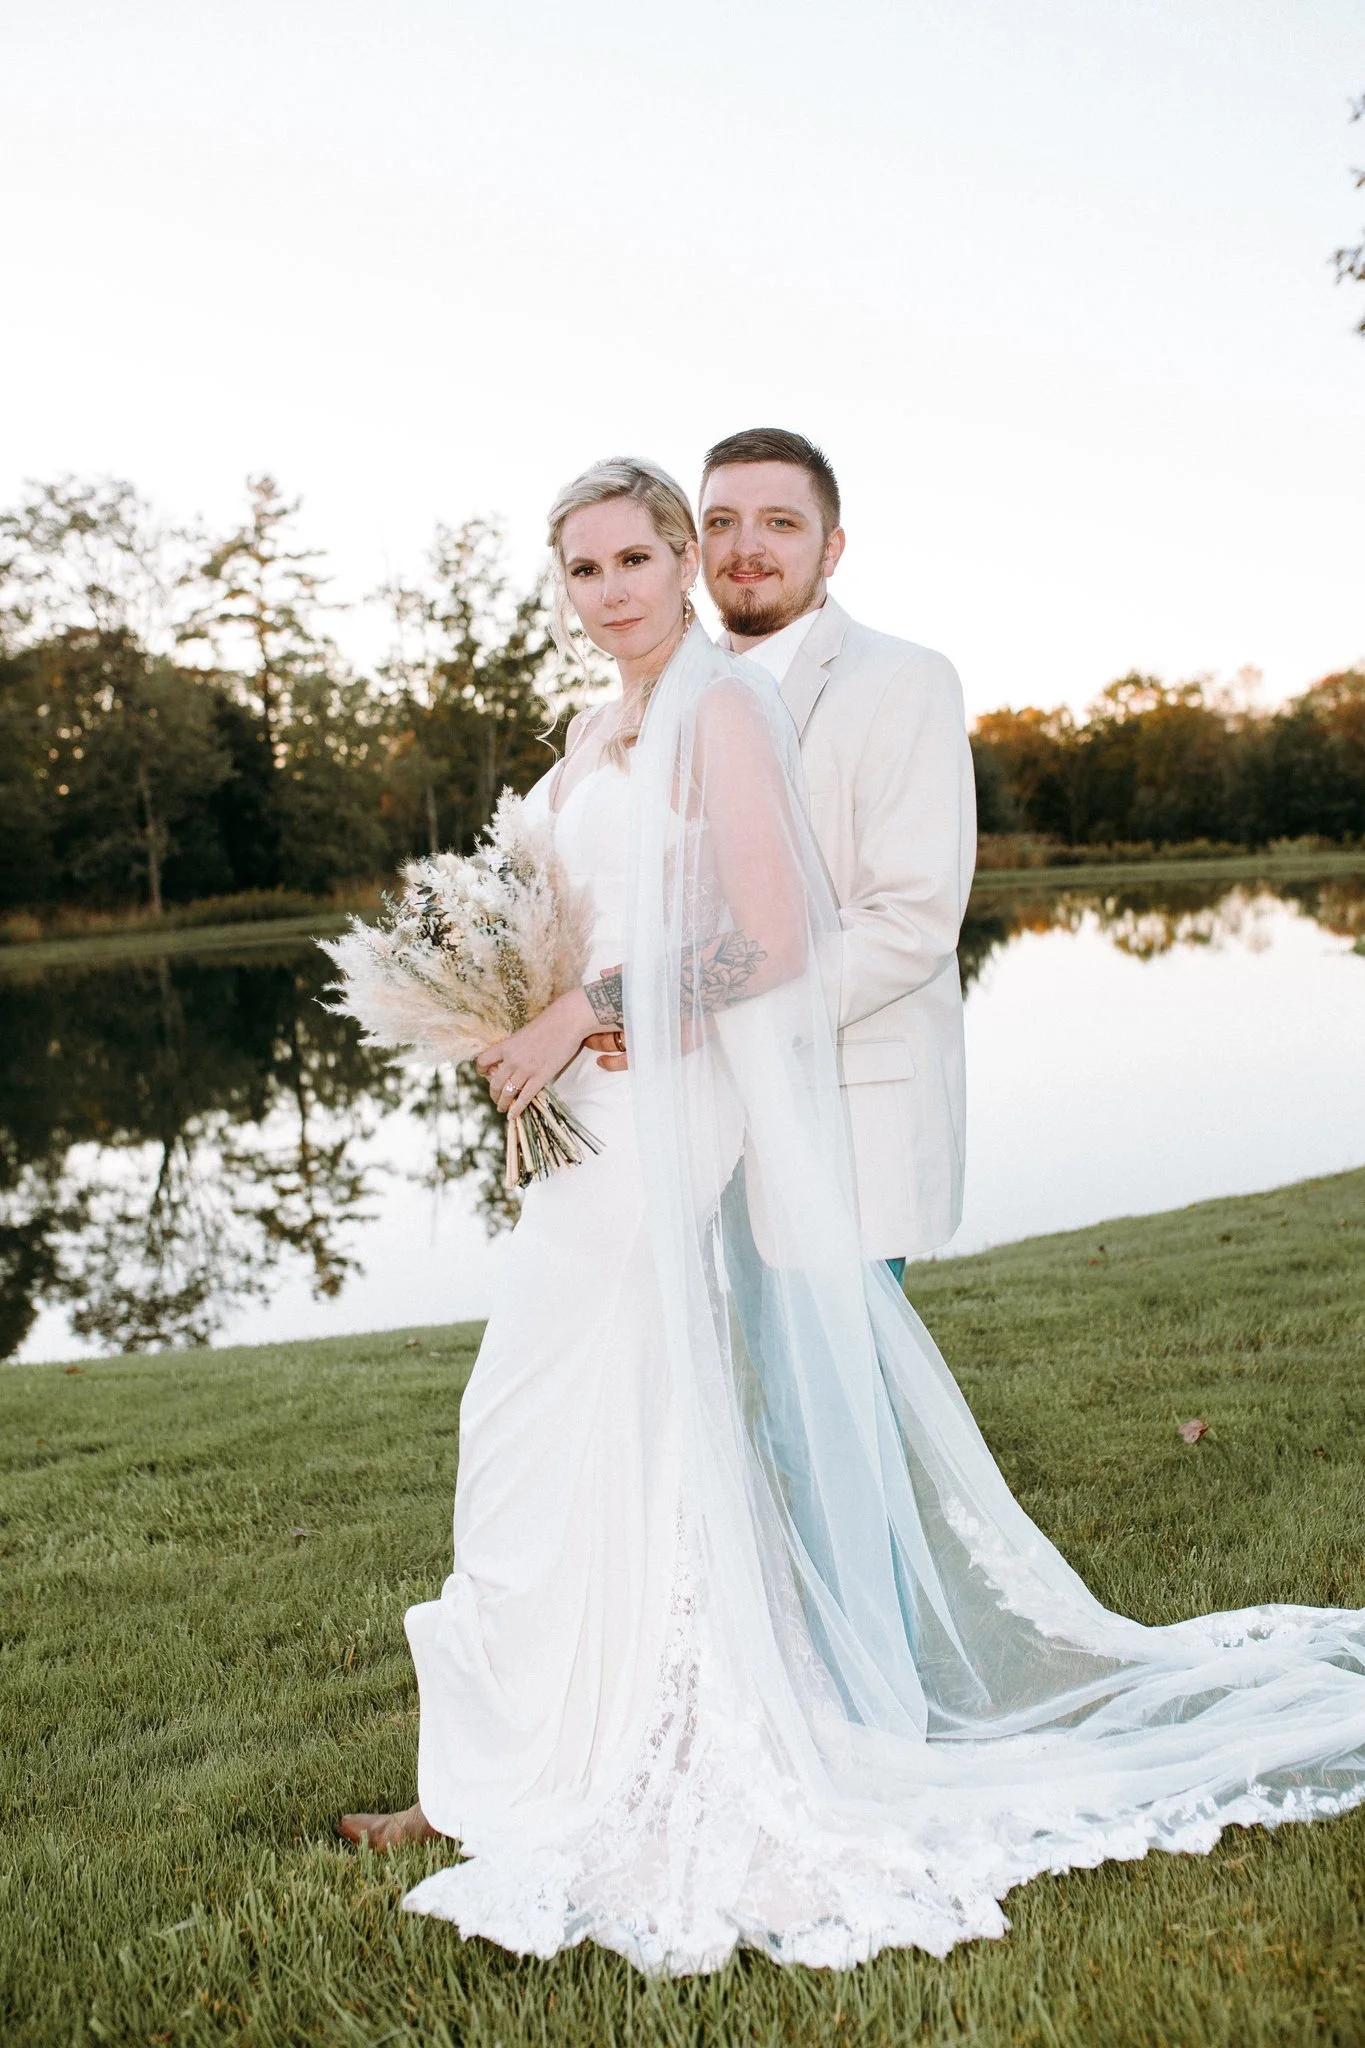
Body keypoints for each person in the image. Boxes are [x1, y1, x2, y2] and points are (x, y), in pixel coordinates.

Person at [340, 458, 1365, 1976]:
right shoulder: (592, 728)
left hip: (658, 1123)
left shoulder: (724, 711)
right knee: (571, 1442)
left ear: (683, 562)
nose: (607, 589)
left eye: (633, 559)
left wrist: (582, 1012)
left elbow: (770, 940)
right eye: (579, 567)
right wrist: (510, 1010)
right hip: (594, 1126)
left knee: (536, 1426)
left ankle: (584, 1765)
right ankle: (539, 1760)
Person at [586, 428, 975, 1281]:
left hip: (839, 1108)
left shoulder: (903, 681)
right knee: (722, 1400)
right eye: (721, 522)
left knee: (837, 1406)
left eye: (780, 524)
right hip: (685, 1122)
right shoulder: (660, 696)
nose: (746, 548)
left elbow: (910, 922)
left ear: (831, 548)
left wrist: (708, 1015)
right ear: (693, 549)